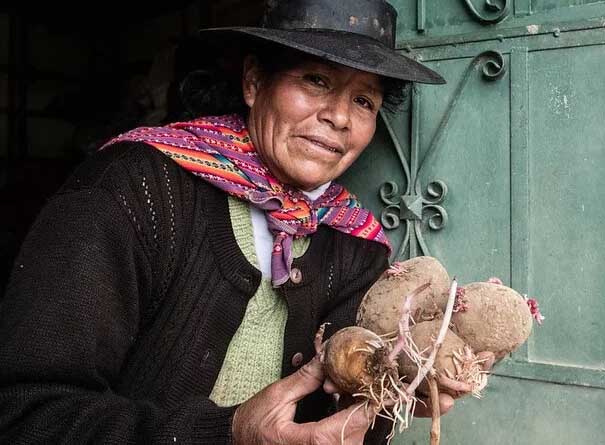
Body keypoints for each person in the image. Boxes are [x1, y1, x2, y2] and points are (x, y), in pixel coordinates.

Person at [0, 1, 491, 444]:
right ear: (254, 82)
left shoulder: (354, 242)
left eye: (364, 100)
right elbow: (26, 412)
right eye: (316, 81)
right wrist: (228, 434)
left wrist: (394, 394)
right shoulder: (134, 189)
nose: (340, 117)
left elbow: (339, 416)